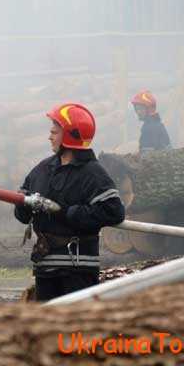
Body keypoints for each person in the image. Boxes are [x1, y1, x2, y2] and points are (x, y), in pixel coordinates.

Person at [14, 103, 125, 301]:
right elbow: (23, 212)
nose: (50, 136)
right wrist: (22, 206)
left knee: (77, 327)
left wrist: (69, 213)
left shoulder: (93, 173)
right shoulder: (43, 169)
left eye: (55, 132)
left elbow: (114, 211)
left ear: (69, 136)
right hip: (45, 267)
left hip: (77, 270)